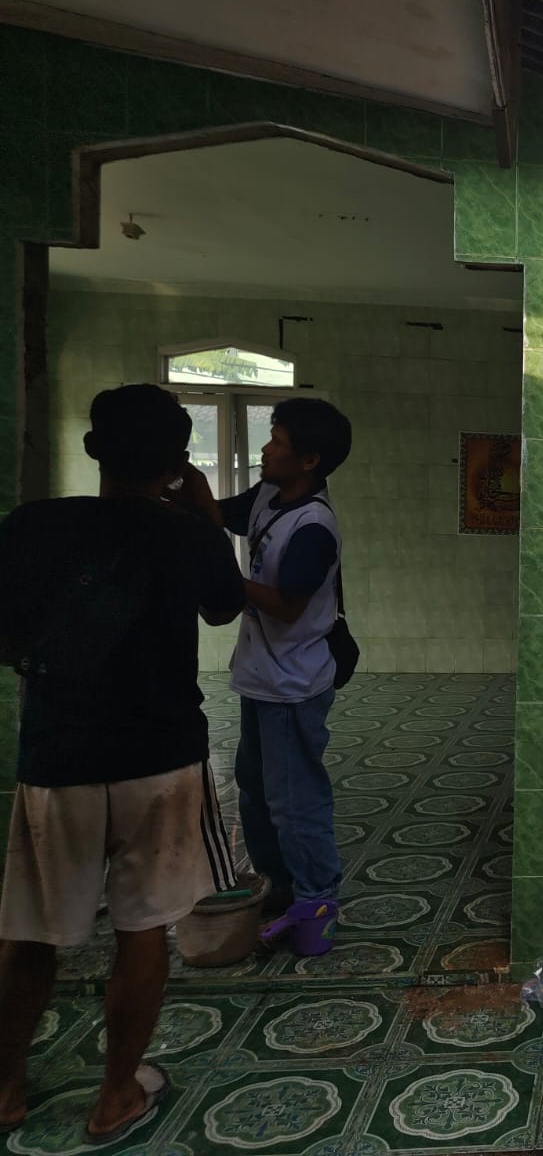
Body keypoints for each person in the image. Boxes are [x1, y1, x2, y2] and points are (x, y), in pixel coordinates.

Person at [0, 385, 244, 1144]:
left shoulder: (31, 525)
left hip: (58, 756)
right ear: (178, 461)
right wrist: (204, 515)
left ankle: (5, 1088)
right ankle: (115, 1096)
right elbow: (224, 605)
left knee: (28, 933)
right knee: (143, 930)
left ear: (93, 450)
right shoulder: (188, 534)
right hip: (160, 759)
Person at [177, 397, 353, 955]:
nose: (266, 448)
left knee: (294, 800)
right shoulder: (268, 497)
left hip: (293, 684)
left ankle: (317, 901)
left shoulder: (314, 527)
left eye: (277, 441)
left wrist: (220, 578)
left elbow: (286, 605)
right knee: (254, 789)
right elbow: (218, 514)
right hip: (260, 674)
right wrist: (183, 488)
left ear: (309, 460)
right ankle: (280, 884)